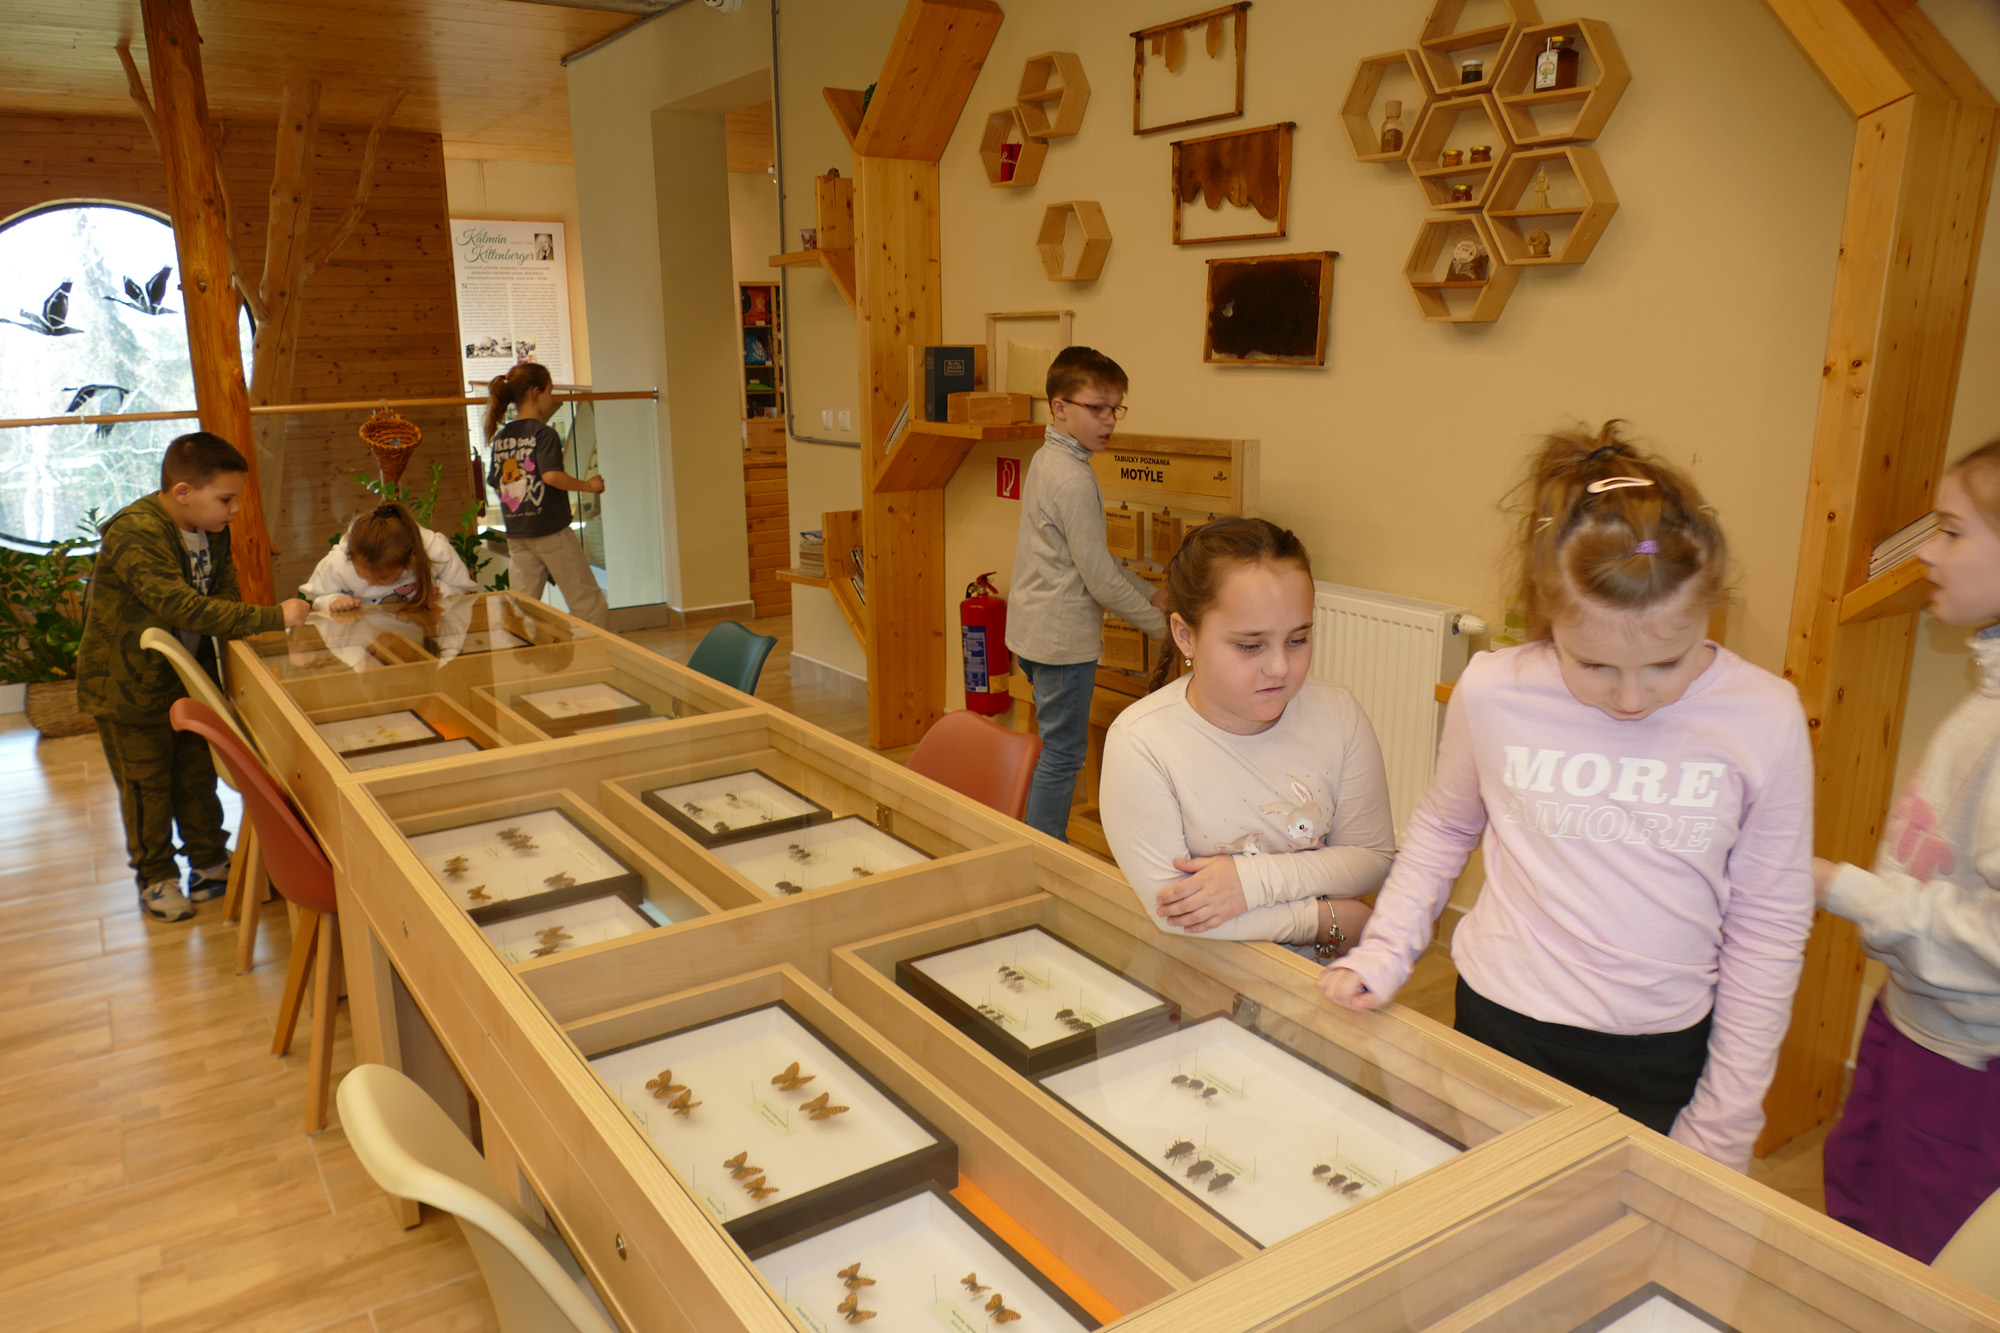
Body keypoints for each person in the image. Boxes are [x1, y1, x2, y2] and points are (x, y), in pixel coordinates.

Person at [1320, 423, 1814, 1172]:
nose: (1630, 697)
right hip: (1504, 1023)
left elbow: (1768, 927)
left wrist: (1726, 1116)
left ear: (1710, 609)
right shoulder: (1495, 690)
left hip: (1661, 1048)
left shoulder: (1766, 717)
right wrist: (1388, 948)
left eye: (1666, 662)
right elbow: (1444, 828)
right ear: (1547, 616)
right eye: (1594, 665)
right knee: (1496, 1209)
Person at [1819, 440, 2000, 1262]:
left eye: (1953, 532)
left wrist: (1840, 886)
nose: (1927, 552)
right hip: (1915, 1017)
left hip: (1967, 1066)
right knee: (1860, 1211)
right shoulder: (1986, 697)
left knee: (1925, 1264)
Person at [1100, 518, 1391, 955]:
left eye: (1298, 639)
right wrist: (1319, 920)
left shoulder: (1338, 713)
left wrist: (1249, 881)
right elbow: (1177, 913)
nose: (1279, 667)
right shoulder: (1141, 742)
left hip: (1319, 981)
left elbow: (1372, 859)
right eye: (1250, 646)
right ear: (1186, 636)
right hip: (1199, 976)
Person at [76, 432, 309, 923]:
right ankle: (156, 877)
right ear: (183, 491)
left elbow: (222, 595)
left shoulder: (213, 530)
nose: (234, 510)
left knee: (196, 775)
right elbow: (180, 606)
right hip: (128, 687)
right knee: (147, 786)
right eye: (225, 499)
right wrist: (274, 617)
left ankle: (208, 862)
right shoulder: (135, 531)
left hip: (187, 678)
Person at [1006, 346, 1169, 840]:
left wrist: (1152, 594)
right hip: (1061, 644)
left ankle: (1036, 844)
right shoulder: (1072, 478)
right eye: (1096, 407)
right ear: (1059, 407)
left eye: (1115, 408)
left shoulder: (1049, 458)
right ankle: (1042, 855)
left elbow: (1091, 559)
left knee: (1055, 749)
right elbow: (1098, 579)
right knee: (1063, 755)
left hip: (1033, 634)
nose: (1109, 419)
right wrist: (1165, 628)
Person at [484, 362, 609, 629]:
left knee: (522, 604)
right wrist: (588, 486)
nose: (551, 398)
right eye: (550, 391)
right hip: (551, 531)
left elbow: (497, 484)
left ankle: (520, 649)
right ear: (535, 392)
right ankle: (595, 652)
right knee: (588, 602)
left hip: (518, 532)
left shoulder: (502, 437)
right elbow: (551, 476)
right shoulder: (544, 434)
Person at [300, 501, 477, 612]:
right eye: (361, 574)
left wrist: (441, 592)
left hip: (419, 636)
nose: (371, 583)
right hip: (366, 640)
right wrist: (333, 601)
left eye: (383, 577)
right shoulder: (338, 562)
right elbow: (316, 597)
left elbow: (461, 587)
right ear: (350, 557)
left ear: (409, 560)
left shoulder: (435, 550)